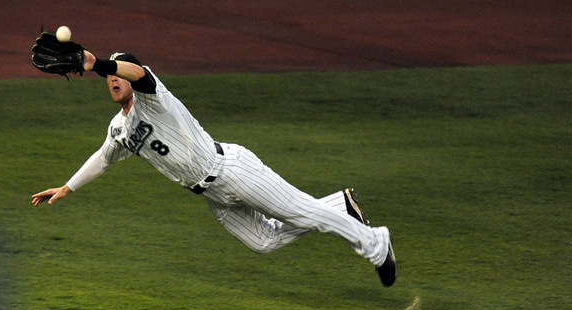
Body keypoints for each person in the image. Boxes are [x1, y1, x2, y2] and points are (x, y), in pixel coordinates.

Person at [31, 50, 397, 287]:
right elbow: (104, 157)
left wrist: (99, 65)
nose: (114, 81)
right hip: (212, 195)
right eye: (110, 79)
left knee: (305, 213)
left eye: (118, 75)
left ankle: (375, 243)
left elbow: (139, 72)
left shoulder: (154, 98)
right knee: (264, 241)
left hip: (233, 170)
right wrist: (68, 187)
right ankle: (339, 205)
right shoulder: (120, 127)